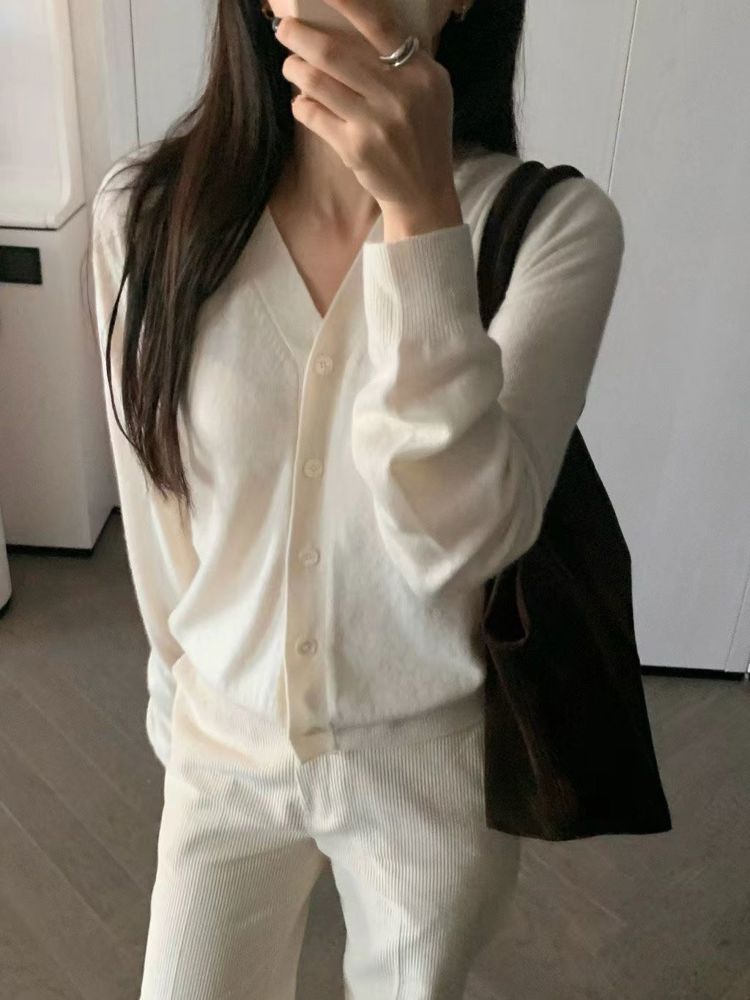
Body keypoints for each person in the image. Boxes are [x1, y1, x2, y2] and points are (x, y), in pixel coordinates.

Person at [90, 0, 625, 996]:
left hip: (430, 773)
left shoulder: (550, 228)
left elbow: (458, 538)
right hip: (221, 746)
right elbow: (157, 511)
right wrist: (184, 701)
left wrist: (421, 216)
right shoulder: (147, 212)